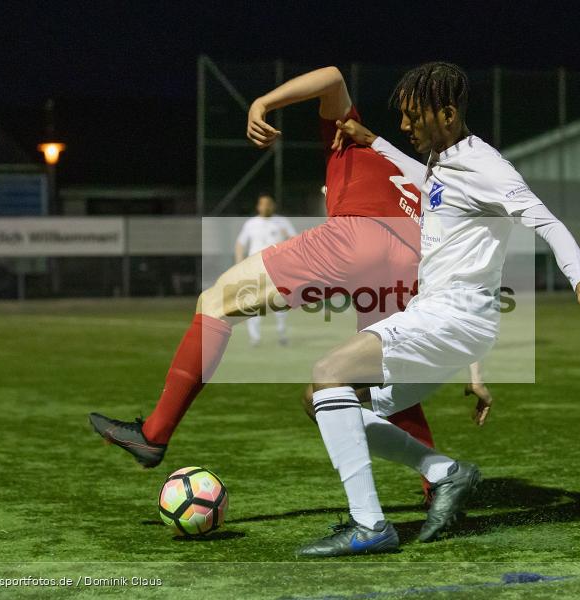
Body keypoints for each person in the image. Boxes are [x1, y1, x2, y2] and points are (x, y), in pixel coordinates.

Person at [88, 67, 492, 501]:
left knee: (215, 302)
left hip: (358, 237)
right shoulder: (420, 179)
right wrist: (476, 368)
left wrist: (262, 103)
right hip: (408, 267)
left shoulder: (348, 141)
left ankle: (154, 433)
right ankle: (438, 481)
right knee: (381, 377)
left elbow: (332, 77)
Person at [289, 62, 580, 558]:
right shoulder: (443, 161)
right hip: (446, 321)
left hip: (451, 318)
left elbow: (547, 221)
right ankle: (446, 472)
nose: (405, 125)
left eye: (413, 116)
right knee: (319, 398)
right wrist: (374, 141)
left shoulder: (486, 167)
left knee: (327, 372)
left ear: (446, 114)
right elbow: (424, 182)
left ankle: (369, 525)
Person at [235, 193, 296, 346]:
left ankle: (282, 334)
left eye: (269, 204)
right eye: (263, 204)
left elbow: (296, 241)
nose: (266, 207)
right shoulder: (251, 223)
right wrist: (239, 263)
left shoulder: (282, 222)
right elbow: (240, 243)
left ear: (273, 206)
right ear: (258, 206)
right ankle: (255, 337)